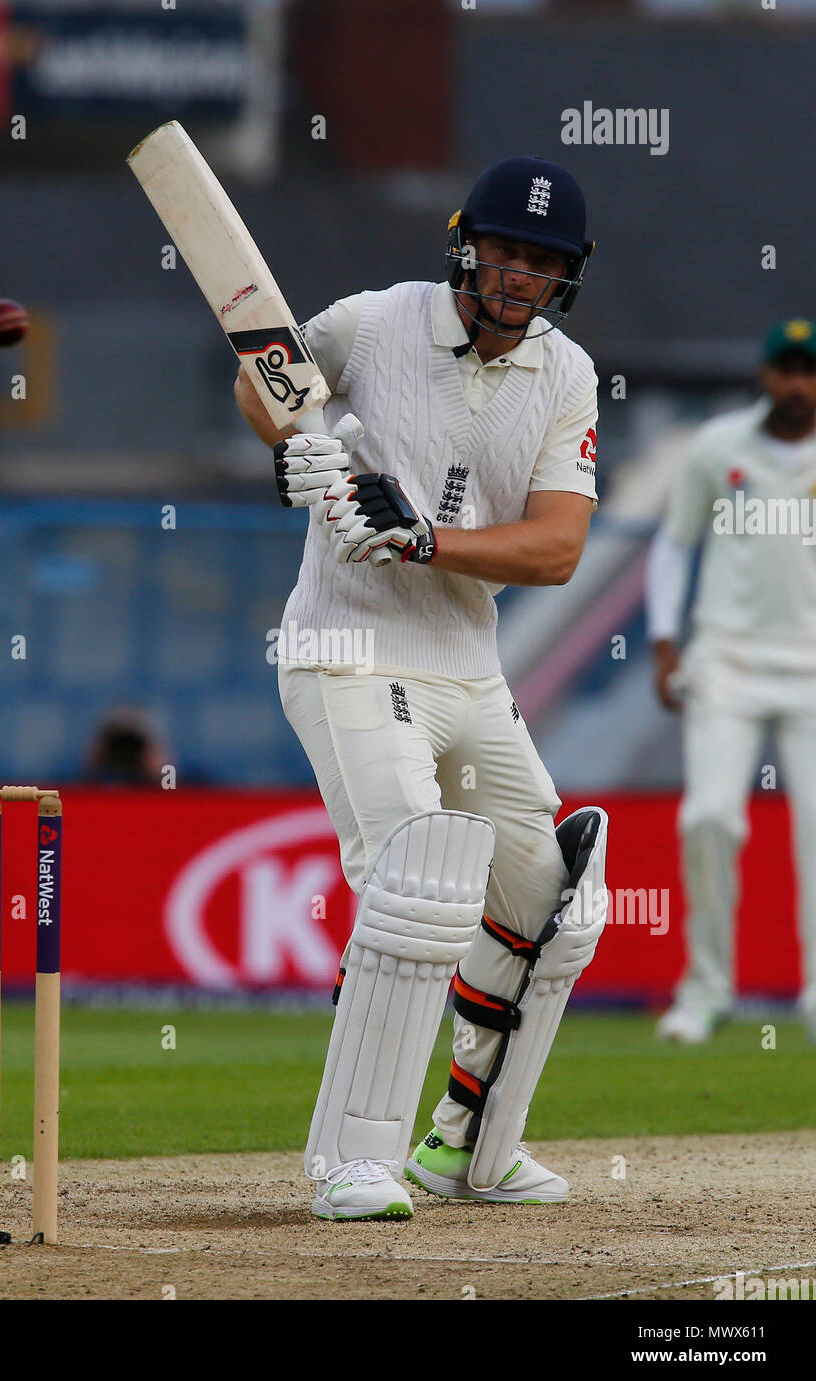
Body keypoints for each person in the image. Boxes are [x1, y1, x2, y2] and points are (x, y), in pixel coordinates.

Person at [236, 156, 610, 1221]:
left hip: (468, 668)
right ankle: (352, 1158)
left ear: (565, 276)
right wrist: (294, 451)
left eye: (542, 260)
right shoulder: (375, 321)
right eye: (504, 248)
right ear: (466, 242)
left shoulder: (566, 375)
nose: (518, 273)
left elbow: (555, 549)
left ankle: (468, 1152)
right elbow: (265, 378)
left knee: (552, 902)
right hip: (346, 650)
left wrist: (425, 536)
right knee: (416, 877)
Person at [648, 319, 816, 1045]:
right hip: (725, 662)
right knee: (709, 818)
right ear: (763, 375)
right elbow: (674, 543)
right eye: (784, 369)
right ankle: (704, 992)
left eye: (807, 371)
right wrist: (661, 642)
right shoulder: (718, 448)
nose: (795, 385)